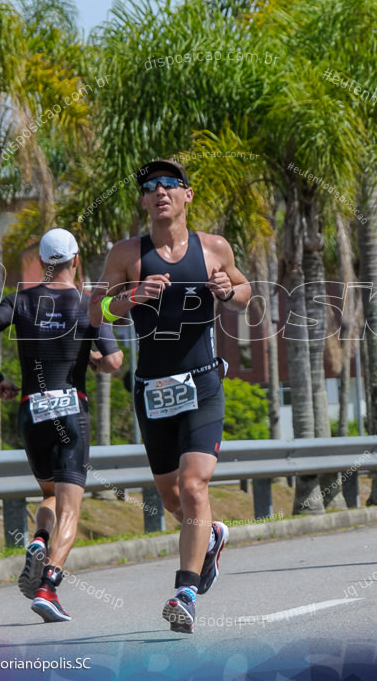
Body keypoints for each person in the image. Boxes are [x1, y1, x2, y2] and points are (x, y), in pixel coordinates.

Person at [88, 159, 250, 634]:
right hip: (152, 391)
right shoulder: (126, 254)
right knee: (172, 496)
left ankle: (185, 591)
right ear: (143, 201)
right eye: (150, 187)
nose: (160, 192)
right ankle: (212, 534)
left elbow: (244, 290)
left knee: (195, 486)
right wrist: (133, 296)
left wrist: (228, 290)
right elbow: (98, 310)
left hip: (202, 384)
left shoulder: (213, 247)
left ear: (187, 195)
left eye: (169, 185)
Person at [0, 228, 122, 623]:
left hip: (31, 410)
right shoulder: (88, 304)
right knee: (71, 507)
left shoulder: (20, 300)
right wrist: (92, 357)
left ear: (41, 263)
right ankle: (49, 587)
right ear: (76, 260)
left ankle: (39, 539)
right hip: (71, 410)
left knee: (50, 493)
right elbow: (114, 362)